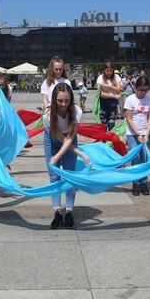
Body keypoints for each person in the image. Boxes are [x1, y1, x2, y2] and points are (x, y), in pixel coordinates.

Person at [43, 83, 91, 229]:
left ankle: (69, 211)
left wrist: (77, 153)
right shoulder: (47, 115)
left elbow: (69, 139)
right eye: (59, 101)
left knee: (70, 176)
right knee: (54, 177)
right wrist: (80, 153)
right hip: (51, 140)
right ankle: (57, 212)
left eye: (66, 100)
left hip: (69, 141)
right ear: (54, 99)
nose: (63, 104)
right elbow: (61, 139)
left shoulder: (76, 111)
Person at [124, 76, 150, 196]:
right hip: (133, 133)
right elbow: (129, 118)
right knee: (135, 158)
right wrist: (137, 134)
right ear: (136, 88)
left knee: (145, 158)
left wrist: (147, 134)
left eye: (145, 90)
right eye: (140, 90)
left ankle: (144, 182)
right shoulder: (130, 100)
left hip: (145, 132)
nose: (142, 93)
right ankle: (136, 183)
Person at [97, 62, 121, 131]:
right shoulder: (100, 78)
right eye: (107, 71)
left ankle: (110, 140)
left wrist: (108, 86)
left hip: (113, 103)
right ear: (104, 70)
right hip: (103, 102)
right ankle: (104, 140)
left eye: (111, 71)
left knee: (111, 123)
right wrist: (114, 96)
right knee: (103, 123)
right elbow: (100, 93)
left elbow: (118, 89)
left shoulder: (117, 77)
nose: (109, 72)